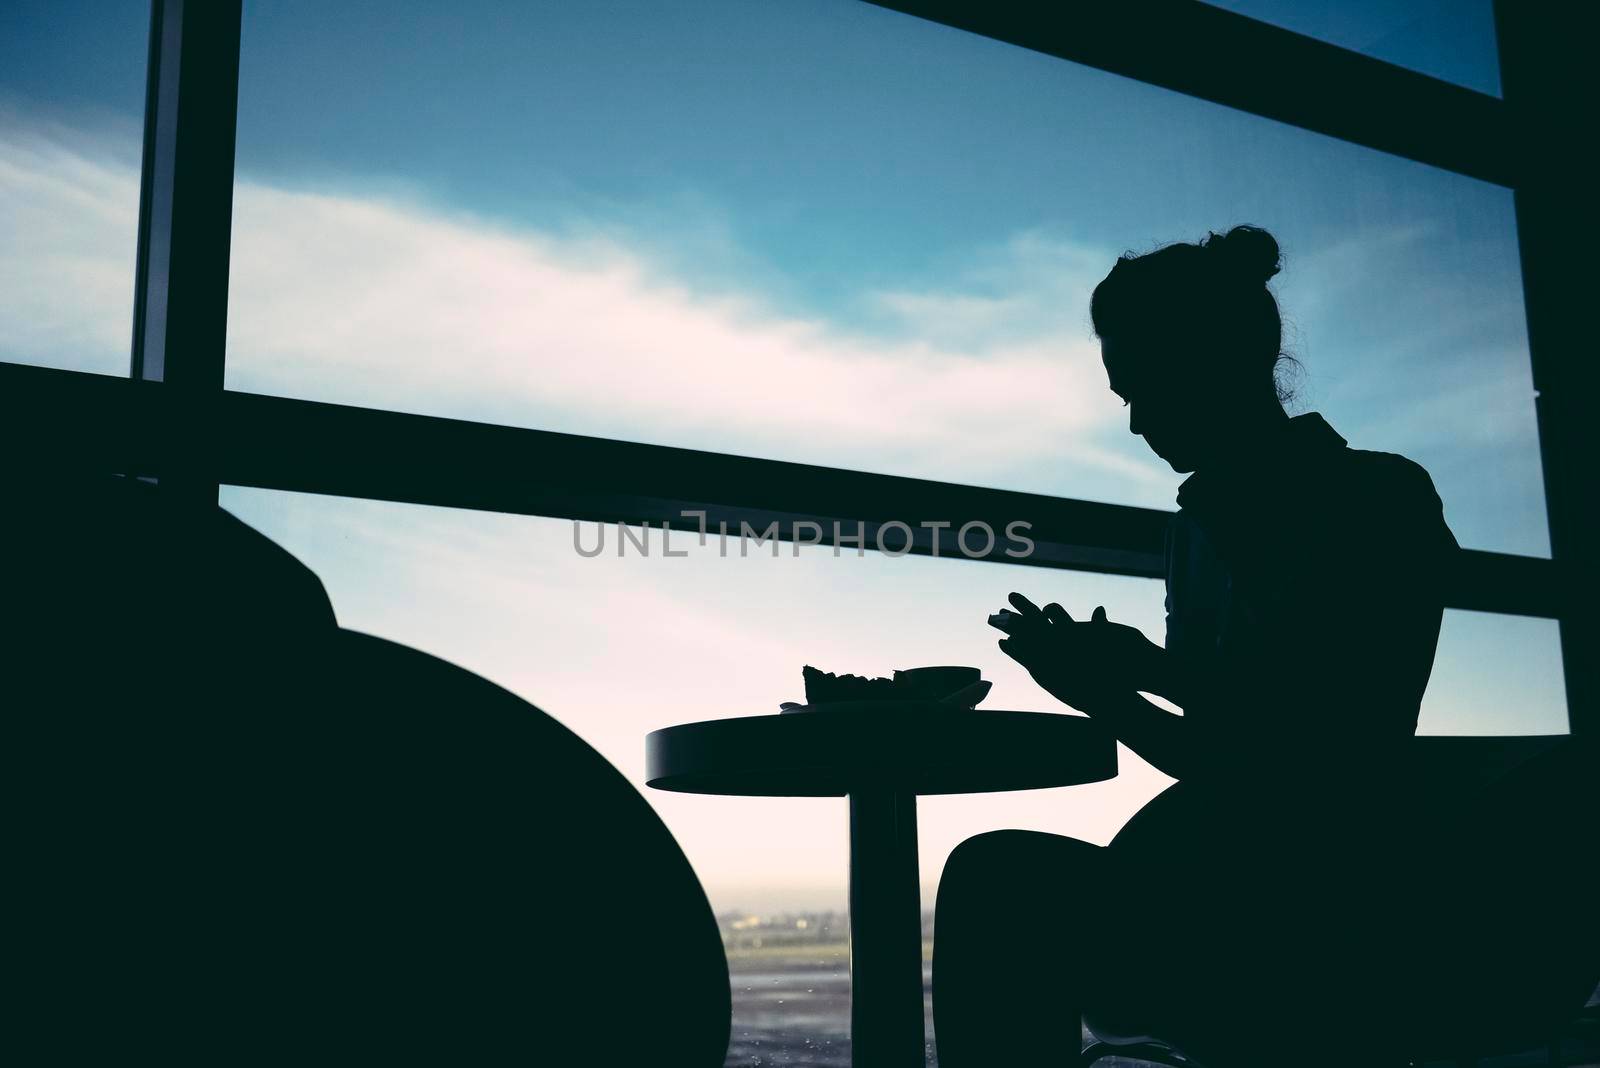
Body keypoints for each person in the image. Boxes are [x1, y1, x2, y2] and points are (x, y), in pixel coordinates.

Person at [931, 225, 1462, 1067]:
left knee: (995, 883)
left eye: (1143, 386)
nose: (1136, 422)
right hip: (1266, 880)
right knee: (996, 876)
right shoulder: (1217, 525)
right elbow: (1236, 745)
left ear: (1218, 362)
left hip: (1309, 896)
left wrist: (1129, 679)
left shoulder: (1367, 499)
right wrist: (1119, 684)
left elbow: (1304, 743)